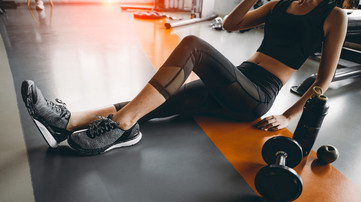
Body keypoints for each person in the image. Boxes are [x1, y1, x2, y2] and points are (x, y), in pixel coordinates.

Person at [21, 0, 347, 155]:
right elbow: (232, 24)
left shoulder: (333, 15)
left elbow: (325, 76)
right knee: (152, 103)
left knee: (193, 45)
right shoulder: (281, 3)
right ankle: (66, 121)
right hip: (238, 80)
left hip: (257, 95)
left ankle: (120, 128)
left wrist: (289, 114)